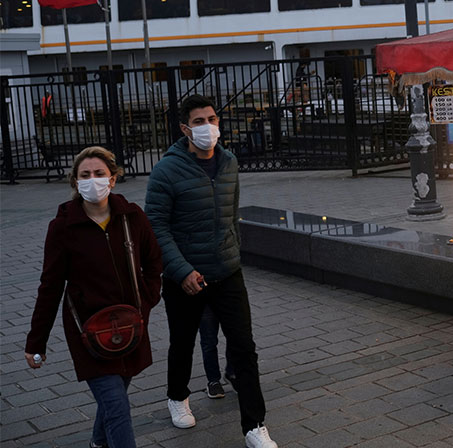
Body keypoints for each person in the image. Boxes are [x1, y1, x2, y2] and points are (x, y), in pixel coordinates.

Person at [145, 94, 277, 448]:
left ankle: (254, 425)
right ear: (185, 128)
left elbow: (231, 215)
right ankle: (177, 396)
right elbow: (156, 226)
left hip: (227, 272)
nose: (208, 127)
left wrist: (233, 253)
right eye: (199, 122)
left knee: (244, 347)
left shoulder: (229, 162)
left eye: (212, 119)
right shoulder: (166, 170)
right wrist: (181, 271)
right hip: (185, 278)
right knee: (183, 343)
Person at [25, 146, 162, 448]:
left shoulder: (132, 217)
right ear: (75, 182)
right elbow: (50, 286)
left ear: (112, 179)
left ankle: (98, 442)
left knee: (115, 397)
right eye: (85, 175)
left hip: (129, 327)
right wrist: (36, 341)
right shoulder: (62, 228)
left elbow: (154, 261)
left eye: (99, 173)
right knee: (116, 404)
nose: (92, 180)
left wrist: (147, 300)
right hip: (88, 332)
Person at [199, 304, 235, 398]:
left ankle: (232, 372)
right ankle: (213, 380)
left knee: (235, 336)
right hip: (204, 299)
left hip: (227, 297)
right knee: (209, 340)